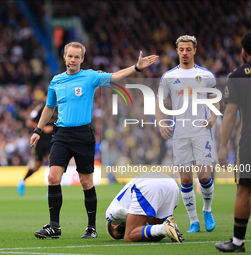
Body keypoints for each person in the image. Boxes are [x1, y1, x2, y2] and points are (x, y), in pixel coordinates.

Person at [30, 42, 158, 239]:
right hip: (62, 135)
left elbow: (115, 77)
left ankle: (91, 227)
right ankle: (54, 226)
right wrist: (38, 130)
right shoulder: (56, 81)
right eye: (69, 56)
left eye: (76, 57)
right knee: (53, 177)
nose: (72, 60)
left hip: (83, 135)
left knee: (85, 181)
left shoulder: (90, 76)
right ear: (64, 57)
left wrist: (137, 67)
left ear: (82, 59)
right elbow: (49, 107)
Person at [155, 35, 219, 233]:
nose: (184, 52)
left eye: (188, 49)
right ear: (177, 51)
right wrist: (160, 122)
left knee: (204, 175)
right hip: (180, 133)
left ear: (195, 50)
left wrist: (213, 118)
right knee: (185, 179)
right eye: (181, 49)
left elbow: (215, 99)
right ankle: (194, 221)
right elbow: (158, 102)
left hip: (201, 131)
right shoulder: (168, 77)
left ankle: (207, 211)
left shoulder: (206, 75)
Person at [215, 31, 251, 253]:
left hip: (249, 143)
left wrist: (222, 146)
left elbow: (229, 115)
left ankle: (237, 242)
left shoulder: (238, 75)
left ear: (244, 52)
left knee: (245, 191)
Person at [105, 172, 184, 243]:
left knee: (129, 236)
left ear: (113, 225)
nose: (121, 236)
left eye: (118, 235)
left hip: (147, 185)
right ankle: (169, 229)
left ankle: (164, 229)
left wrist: (132, 219)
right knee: (152, 236)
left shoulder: (110, 215)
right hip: (171, 185)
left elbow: (118, 211)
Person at [17, 93, 58, 196]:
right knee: (36, 167)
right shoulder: (39, 108)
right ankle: (23, 180)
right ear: (45, 98)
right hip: (39, 140)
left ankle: (50, 190)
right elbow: (29, 123)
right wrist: (43, 128)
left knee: (52, 165)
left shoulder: (58, 109)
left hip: (52, 141)